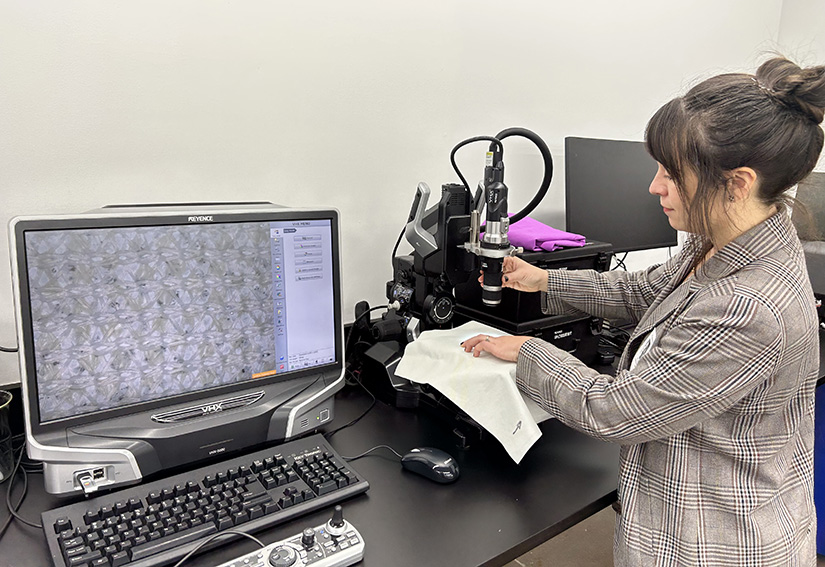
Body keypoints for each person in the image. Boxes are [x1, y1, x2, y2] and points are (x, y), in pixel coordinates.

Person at [462, 56, 825, 566]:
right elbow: (645, 291)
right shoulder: (728, 241)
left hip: (715, 543)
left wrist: (529, 352)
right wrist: (543, 280)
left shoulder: (749, 306)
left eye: (672, 173)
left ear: (738, 182)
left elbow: (612, 411)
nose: (655, 186)